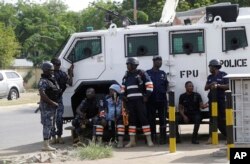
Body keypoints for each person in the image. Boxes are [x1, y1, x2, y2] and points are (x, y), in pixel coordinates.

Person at [121, 57, 154, 147]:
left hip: (140, 101)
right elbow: (123, 87)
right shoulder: (126, 75)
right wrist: (123, 96)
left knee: (144, 120)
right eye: (127, 64)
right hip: (130, 102)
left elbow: (149, 85)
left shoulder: (142, 73)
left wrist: (146, 96)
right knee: (132, 121)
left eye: (129, 64)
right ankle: (132, 141)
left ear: (134, 65)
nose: (127, 66)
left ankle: (149, 140)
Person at [205, 59, 229, 143]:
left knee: (222, 119)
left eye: (210, 67)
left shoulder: (223, 75)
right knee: (212, 119)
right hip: (212, 101)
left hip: (221, 101)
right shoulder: (210, 77)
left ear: (214, 67)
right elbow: (205, 88)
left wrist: (218, 85)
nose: (209, 68)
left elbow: (228, 86)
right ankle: (212, 137)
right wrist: (211, 84)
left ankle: (228, 137)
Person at [38, 62, 61, 151]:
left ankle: (48, 143)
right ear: (46, 70)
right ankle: (45, 145)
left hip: (52, 106)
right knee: (47, 125)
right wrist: (51, 102)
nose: (52, 72)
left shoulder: (51, 80)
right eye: (51, 70)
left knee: (50, 125)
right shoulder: (43, 81)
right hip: (47, 106)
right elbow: (42, 94)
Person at [50, 58, 73, 144]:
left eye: (59, 65)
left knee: (59, 119)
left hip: (59, 99)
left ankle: (59, 136)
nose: (57, 66)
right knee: (51, 120)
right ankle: (53, 137)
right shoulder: (48, 74)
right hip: (50, 100)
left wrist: (70, 72)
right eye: (56, 65)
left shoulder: (62, 74)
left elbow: (70, 83)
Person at [146, 56, 169, 144]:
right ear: (153, 62)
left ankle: (163, 138)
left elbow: (166, 85)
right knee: (151, 120)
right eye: (158, 61)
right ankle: (153, 137)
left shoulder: (163, 73)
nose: (160, 62)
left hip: (161, 100)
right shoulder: (147, 73)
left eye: (161, 61)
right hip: (151, 100)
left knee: (162, 120)